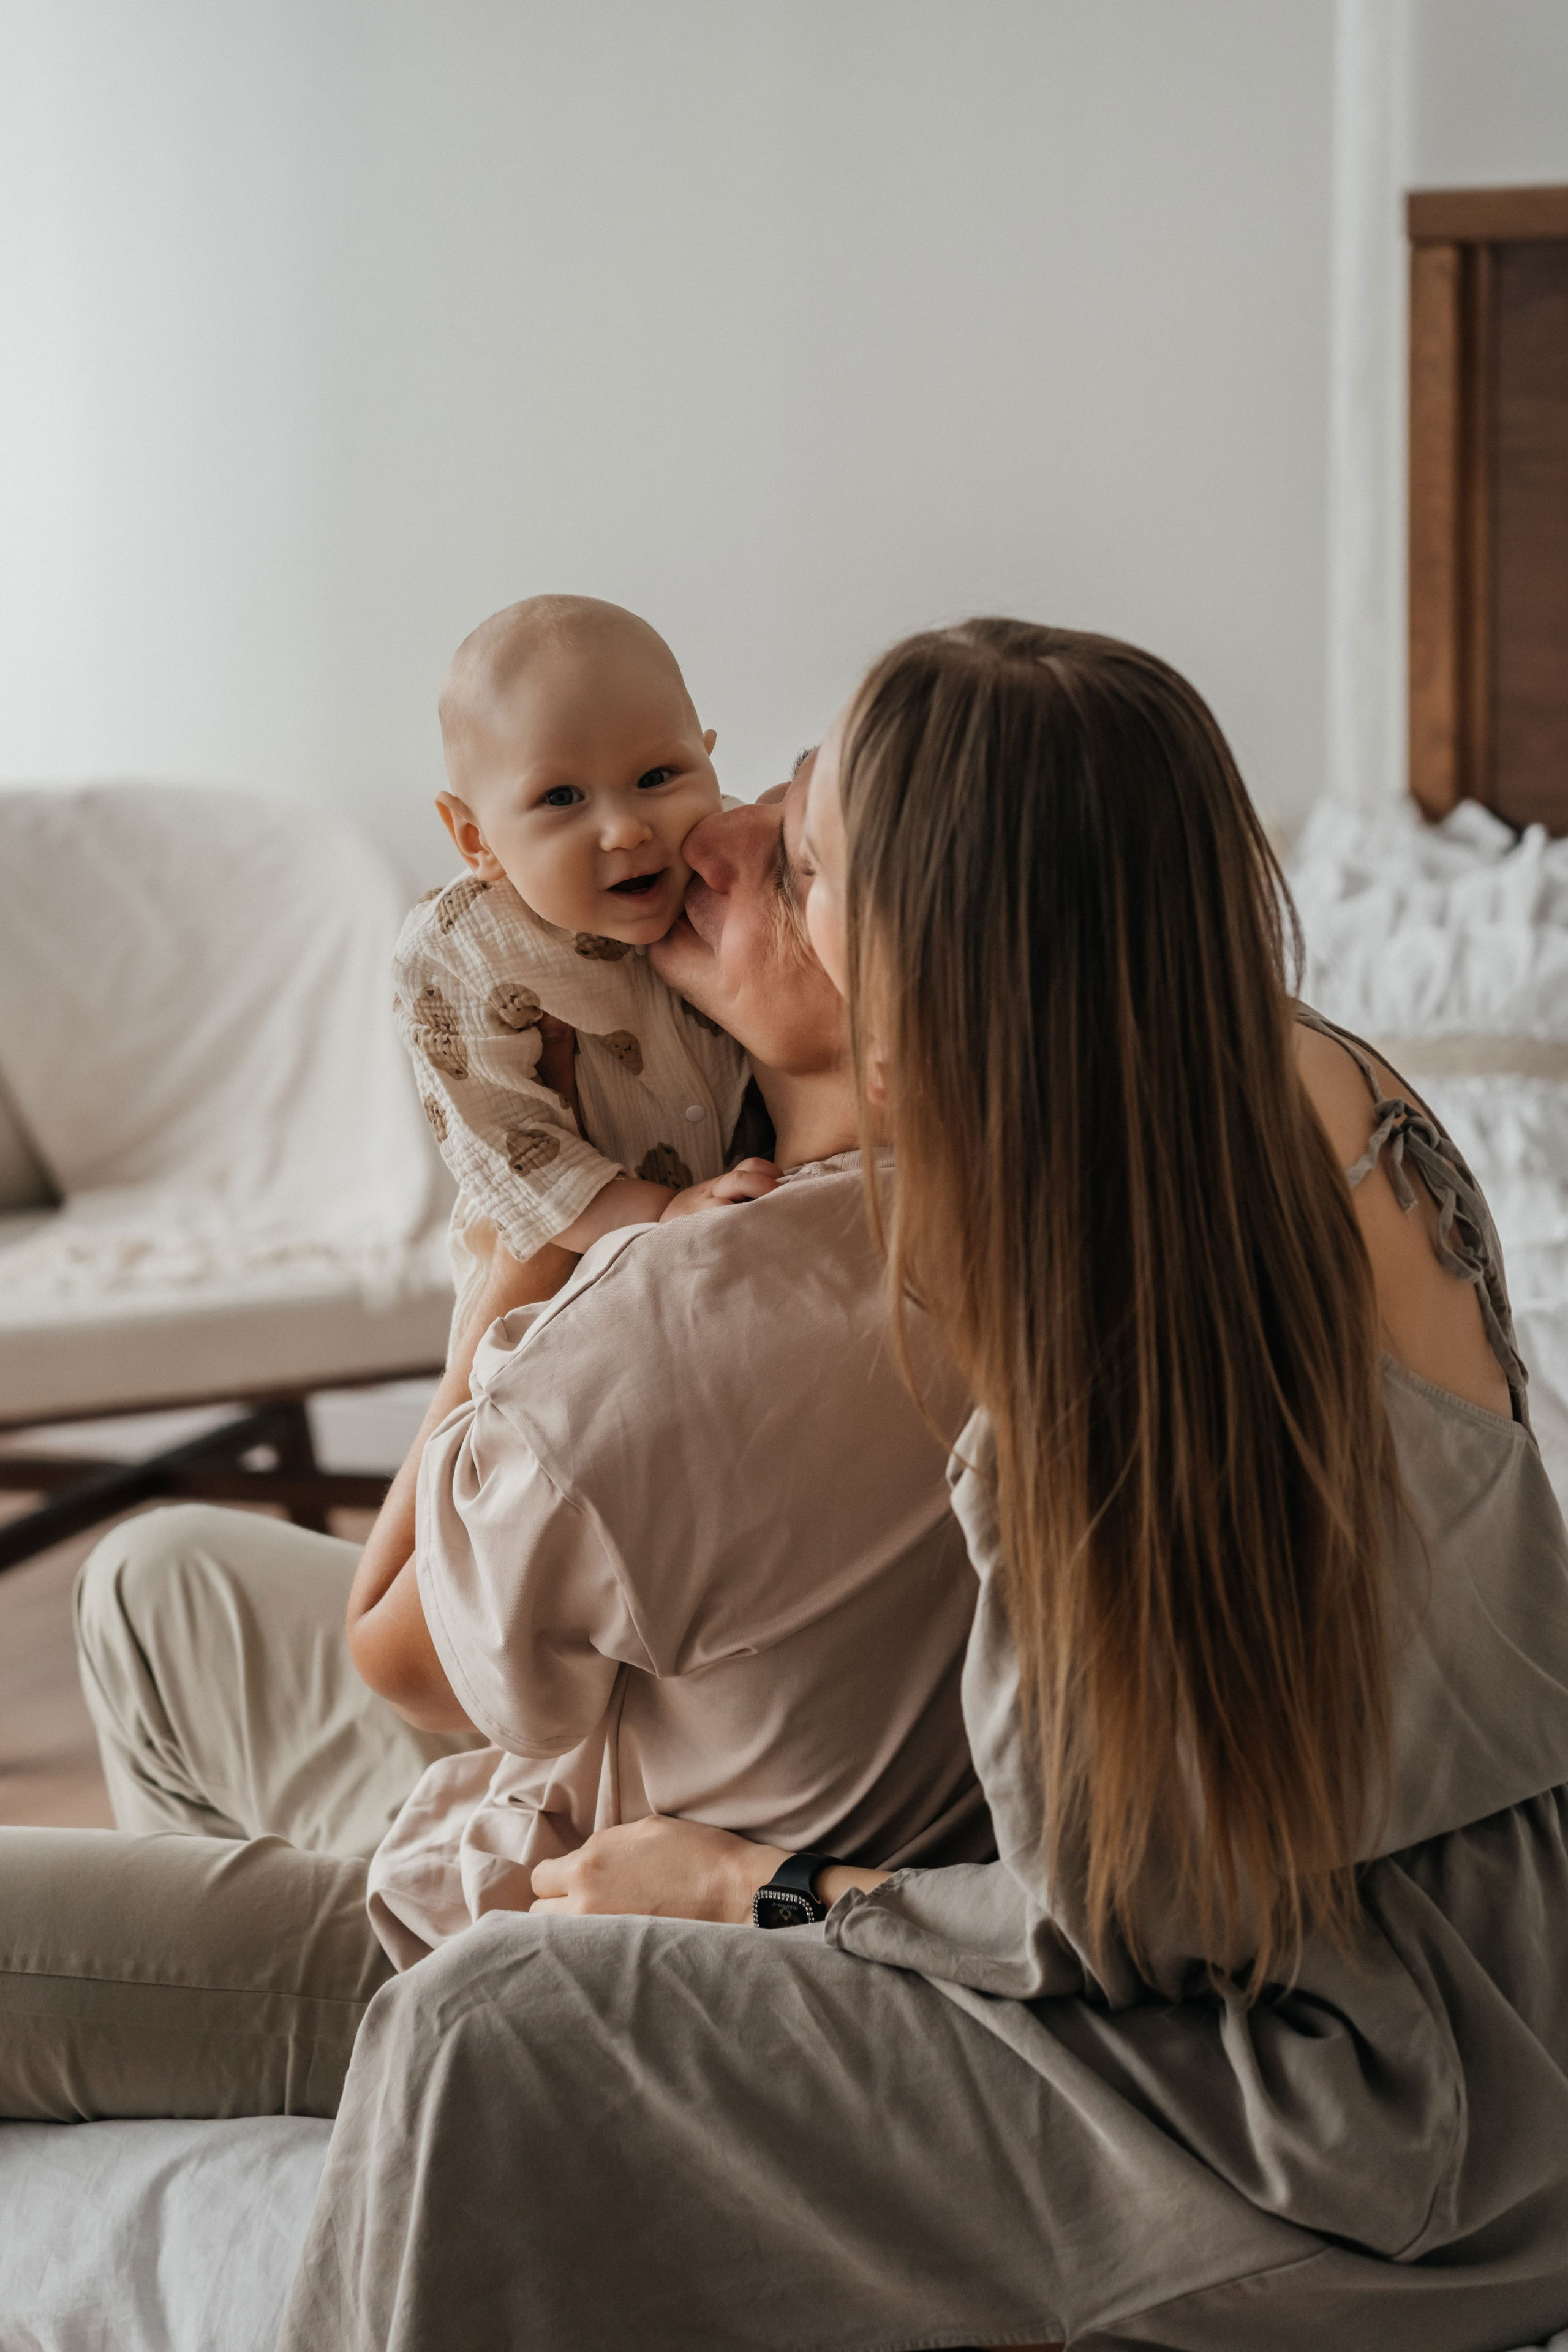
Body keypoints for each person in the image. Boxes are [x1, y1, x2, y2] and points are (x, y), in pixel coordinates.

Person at [279, 622, 1568, 2352]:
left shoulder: (1113, 1323)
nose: (723, 850)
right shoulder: (1303, 1083)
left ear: (927, 987)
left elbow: (1132, 1924)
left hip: (1332, 2136)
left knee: (490, 2022)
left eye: (802, 860)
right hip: (1505, 2014)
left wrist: (763, 1892)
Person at [0, 764, 988, 2117]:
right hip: (641, 1786)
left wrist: (514, 1254)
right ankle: (250, 2112)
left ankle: (332, 2115)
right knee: (149, 1578)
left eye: (794, 870)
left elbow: (397, 1658)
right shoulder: (1008, 1220)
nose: (714, 837)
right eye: (767, 789)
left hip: (569, 1960)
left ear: (901, 1036)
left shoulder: (686, 1313)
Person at [394, 593, 765, 1343]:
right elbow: (505, 1147)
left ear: (708, 758)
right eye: (562, 797)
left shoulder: (737, 866)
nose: (627, 827)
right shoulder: (461, 950)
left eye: (659, 776)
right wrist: (659, 1214)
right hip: (561, 1280)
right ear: (476, 838)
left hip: (738, 1227)